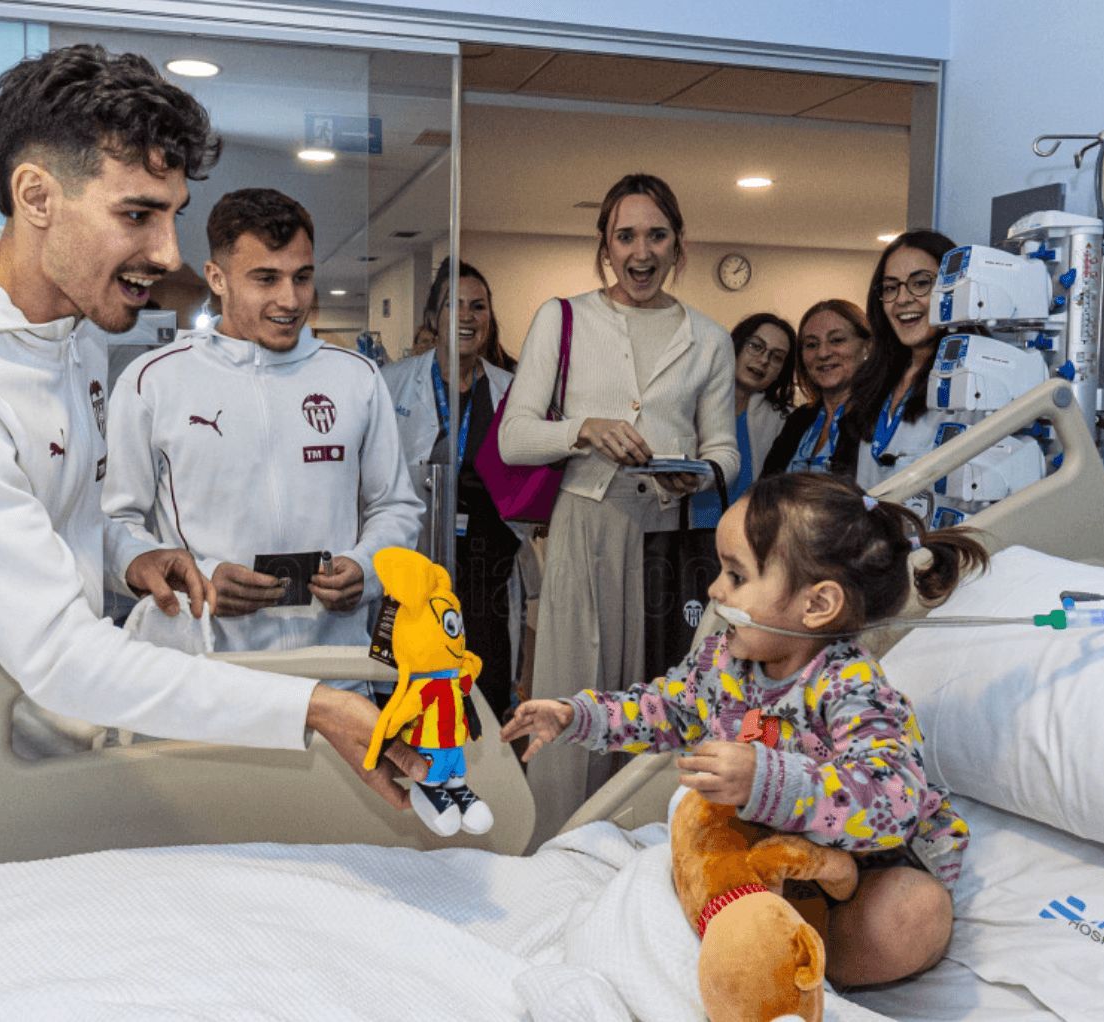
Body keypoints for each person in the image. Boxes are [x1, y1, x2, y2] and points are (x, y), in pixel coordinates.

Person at [0, 45, 425, 883]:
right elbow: (62, 655)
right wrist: (313, 708)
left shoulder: (64, 346)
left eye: (173, 214)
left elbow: (62, 531)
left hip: (39, 762)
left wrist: (130, 558)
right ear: (38, 196)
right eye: (137, 214)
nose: (169, 252)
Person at [502, 471, 986, 986]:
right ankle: (749, 939)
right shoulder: (725, 663)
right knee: (684, 869)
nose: (715, 590)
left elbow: (893, 799)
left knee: (914, 914)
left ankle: (804, 964)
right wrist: (578, 715)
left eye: (736, 576)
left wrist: (772, 781)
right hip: (768, 859)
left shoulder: (850, 686)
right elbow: (666, 709)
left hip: (859, 871)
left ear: (817, 604)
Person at [496, 172, 738, 842]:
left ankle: (642, 850)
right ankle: (552, 847)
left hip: (669, 537)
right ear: (605, 243)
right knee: (576, 688)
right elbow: (514, 438)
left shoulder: (709, 339)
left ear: (677, 245)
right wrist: (582, 429)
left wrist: (701, 472)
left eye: (656, 234)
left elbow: (726, 450)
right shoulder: (564, 317)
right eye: (625, 234)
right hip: (585, 527)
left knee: (657, 694)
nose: (641, 250)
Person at [104, 187, 422, 662]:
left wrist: (366, 568)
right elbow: (113, 524)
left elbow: (396, 506)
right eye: (266, 278)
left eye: (303, 277)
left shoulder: (356, 376)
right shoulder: (154, 381)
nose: (289, 300)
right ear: (217, 278)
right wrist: (199, 577)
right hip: (207, 665)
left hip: (333, 664)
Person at [382, 258, 521, 720]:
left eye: (478, 306)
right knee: (416, 705)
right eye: (453, 305)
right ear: (432, 319)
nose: (467, 316)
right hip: (415, 574)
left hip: (486, 576)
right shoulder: (392, 384)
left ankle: (482, 790)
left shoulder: (512, 392)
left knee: (484, 699)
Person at [846, 231, 959, 496]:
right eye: (890, 287)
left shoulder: (968, 379)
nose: (902, 299)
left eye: (920, 283)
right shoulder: (876, 381)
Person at [689, 313, 795, 529]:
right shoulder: (690, 400)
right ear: (735, 344)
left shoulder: (783, 422)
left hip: (745, 541)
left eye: (776, 357)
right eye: (756, 346)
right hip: (684, 535)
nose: (763, 360)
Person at [763, 299, 873, 478]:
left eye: (836, 340)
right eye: (812, 345)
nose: (823, 353)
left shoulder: (879, 419)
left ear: (867, 347)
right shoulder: (798, 420)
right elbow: (766, 487)